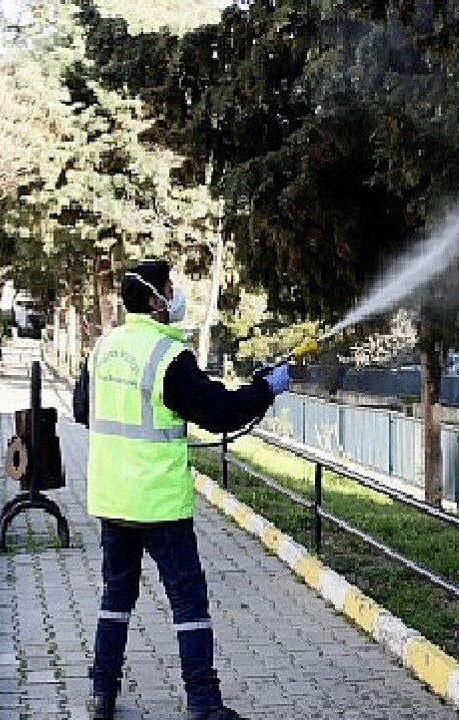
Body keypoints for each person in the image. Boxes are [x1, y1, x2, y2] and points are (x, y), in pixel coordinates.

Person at [84, 259, 289, 720]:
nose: (176, 296)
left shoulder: (103, 348)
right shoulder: (166, 357)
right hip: (158, 504)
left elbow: (82, 409)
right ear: (155, 300)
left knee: (116, 596)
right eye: (170, 289)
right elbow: (217, 412)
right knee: (189, 602)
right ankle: (203, 702)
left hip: (111, 498)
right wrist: (266, 390)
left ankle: (101, 693)